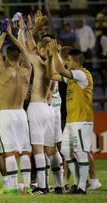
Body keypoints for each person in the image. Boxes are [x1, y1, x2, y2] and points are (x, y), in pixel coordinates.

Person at [22, 13, 64, 194]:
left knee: (38, 149)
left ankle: (42, 186)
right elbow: (33, 45)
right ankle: (60, 185)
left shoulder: (38, 61)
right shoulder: (56, 61)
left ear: (41, 49)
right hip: (51, 109)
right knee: (52, 149)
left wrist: (30, 29)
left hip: (37, 108)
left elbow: (24, 45)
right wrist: (36, 30)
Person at [47, 42, 94, 194]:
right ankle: (78, 182)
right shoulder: (72, 78)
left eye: (68, 60)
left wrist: (55, 52)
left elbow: (60, 69)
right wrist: (49, 58)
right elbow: (52, 75)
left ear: (75, 61)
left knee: (80, 152)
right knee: (66, 152)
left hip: (82, 120)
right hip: (71, 120)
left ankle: (81, 187)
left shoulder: (82, 74)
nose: (66, 63)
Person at [0, 19, 32, 195]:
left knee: (8, 151)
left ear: (6, 57)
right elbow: (25, 51)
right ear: (21, 57)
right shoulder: (26, 71)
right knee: (24, 151)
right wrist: (15, 36)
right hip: (21, 113)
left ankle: (14, 187)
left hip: (5, 114)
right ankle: (27, 186)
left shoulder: (4, 71)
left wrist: (5, 34)